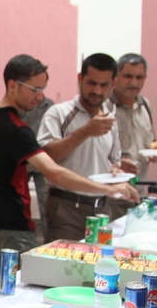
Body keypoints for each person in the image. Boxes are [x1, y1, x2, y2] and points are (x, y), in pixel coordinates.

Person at [0, 54, 139, 253]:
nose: (40, 97)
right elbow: (54, 172)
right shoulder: (18, 129)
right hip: (16, 226)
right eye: (35, 89)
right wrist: (107, 189)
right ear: (13, 86)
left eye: (42, 90)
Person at [36, 53, 122, 242]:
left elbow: (114, 160)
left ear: (113, 84)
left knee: (98, 265)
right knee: (63, 266)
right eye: (92, 83)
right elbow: (47, 158)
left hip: (102, 209)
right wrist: (85, 132)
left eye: (104, 85)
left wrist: (116, 169)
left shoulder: (110, 119)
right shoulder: (58, 113)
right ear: (80, 79)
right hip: (67, 208)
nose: (97, 91)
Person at [107, 53, 156, 178]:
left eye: (139, 77)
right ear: (116, 77)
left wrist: (156, 152)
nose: (134, 83)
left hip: (139, 187)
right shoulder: (105, 107)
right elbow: (90, 152)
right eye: (128, 76)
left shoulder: (145, 105)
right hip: (110, 189)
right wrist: (114, 163)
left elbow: (151, 142)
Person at [19, 95, 54, 236]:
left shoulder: (49, 106)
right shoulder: (23, 104)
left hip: (41, 161)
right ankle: (22, 234)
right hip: (23, 161)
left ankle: (48, 236)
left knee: (45, 201)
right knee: (19, 199)